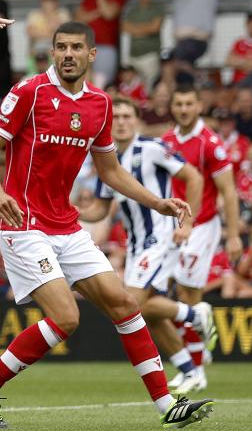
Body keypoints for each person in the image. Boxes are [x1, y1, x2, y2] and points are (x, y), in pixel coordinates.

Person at [0, 23, 212, 431]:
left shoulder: (100, 104)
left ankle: (167, 405)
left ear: (92, 54)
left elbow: (110, 171)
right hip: (24, 223)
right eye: (61, 47)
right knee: (67, 317)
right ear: (53, 53)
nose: (68, 54)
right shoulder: (30, 92)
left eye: (77, 47)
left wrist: (158, 202)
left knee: (124, 304)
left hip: (65, 224)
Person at [81, 97, 211, 395]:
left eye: (128, 116)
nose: (123, 122)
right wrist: (73, 211)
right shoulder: (106, 160)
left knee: (133, 304)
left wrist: (188, 222)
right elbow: (101, 210)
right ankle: (189, 370)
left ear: (138, 120)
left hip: (162, 236)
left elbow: (193, 176)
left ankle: (195, 315)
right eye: (118, 117)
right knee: (146, 312)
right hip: (138, 245)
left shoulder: (151, 148)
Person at [162, 85, 242, 389]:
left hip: (202, 226)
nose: (183, 108)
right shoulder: (167, 141)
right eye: (178, 103)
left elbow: (229, 191)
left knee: (186, 296)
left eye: (188, 103)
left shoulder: (210, 143)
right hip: (172, 227)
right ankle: (195, 352)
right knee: (166, 297)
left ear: (198, 106)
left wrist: (233, 236)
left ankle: (195, 370)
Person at [165, 0, 218, 76]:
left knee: (172, 61)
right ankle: (195, 76)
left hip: (197, 40)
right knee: (179, 70)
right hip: (181, 42)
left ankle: (196, 74)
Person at [77, 0, 128, 88]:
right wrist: (96, 13)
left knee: (103, 81)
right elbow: (78, 19)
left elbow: (108, 14)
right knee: (85, 80)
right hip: (87, 45)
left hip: (107, 46)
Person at [122, 0, 166, 87]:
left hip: (150, 55)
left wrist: (135, 29)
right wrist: (146, 28)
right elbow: (124, 27)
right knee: (133, 86)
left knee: (149, 86)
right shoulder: (132, 10)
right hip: (133, 56)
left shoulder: (157, 8)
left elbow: (154, 28)